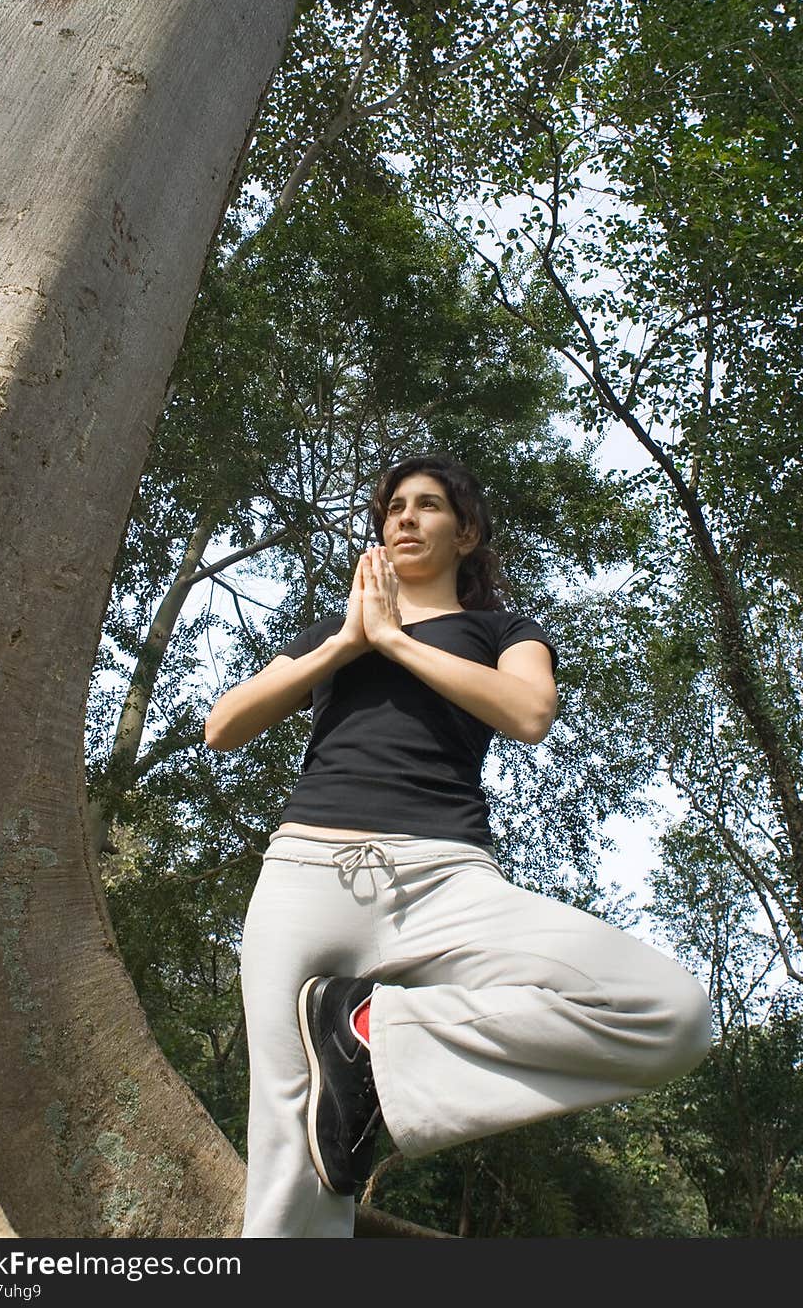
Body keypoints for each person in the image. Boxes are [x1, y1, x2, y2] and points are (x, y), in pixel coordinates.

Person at [204, 453, 712, 1239]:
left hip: (446, 879)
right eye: (393, 507)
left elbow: (528, 710)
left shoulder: (502, 630)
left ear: (466, 531)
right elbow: (223, 725)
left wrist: (398, 642)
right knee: (296, 1165)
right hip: (303, 875)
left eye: (428, 505)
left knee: (671, 1013)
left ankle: (370, 1034)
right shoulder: (332, 632)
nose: (403, 517)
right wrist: (349, 641)